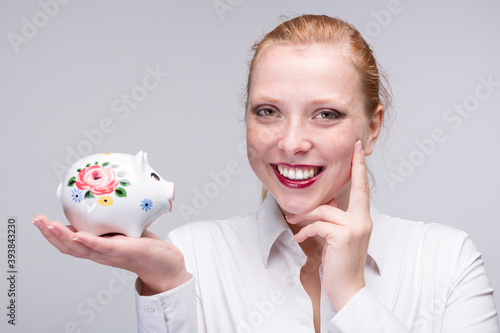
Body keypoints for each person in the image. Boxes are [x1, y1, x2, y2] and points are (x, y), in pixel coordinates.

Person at [34, 14, 499, 332]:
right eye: (268, 111)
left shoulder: (447, 262)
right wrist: (166, 289)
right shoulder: (192, 256)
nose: (291, 141)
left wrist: (353, 295)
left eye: (326, 115)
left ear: (372, 127)